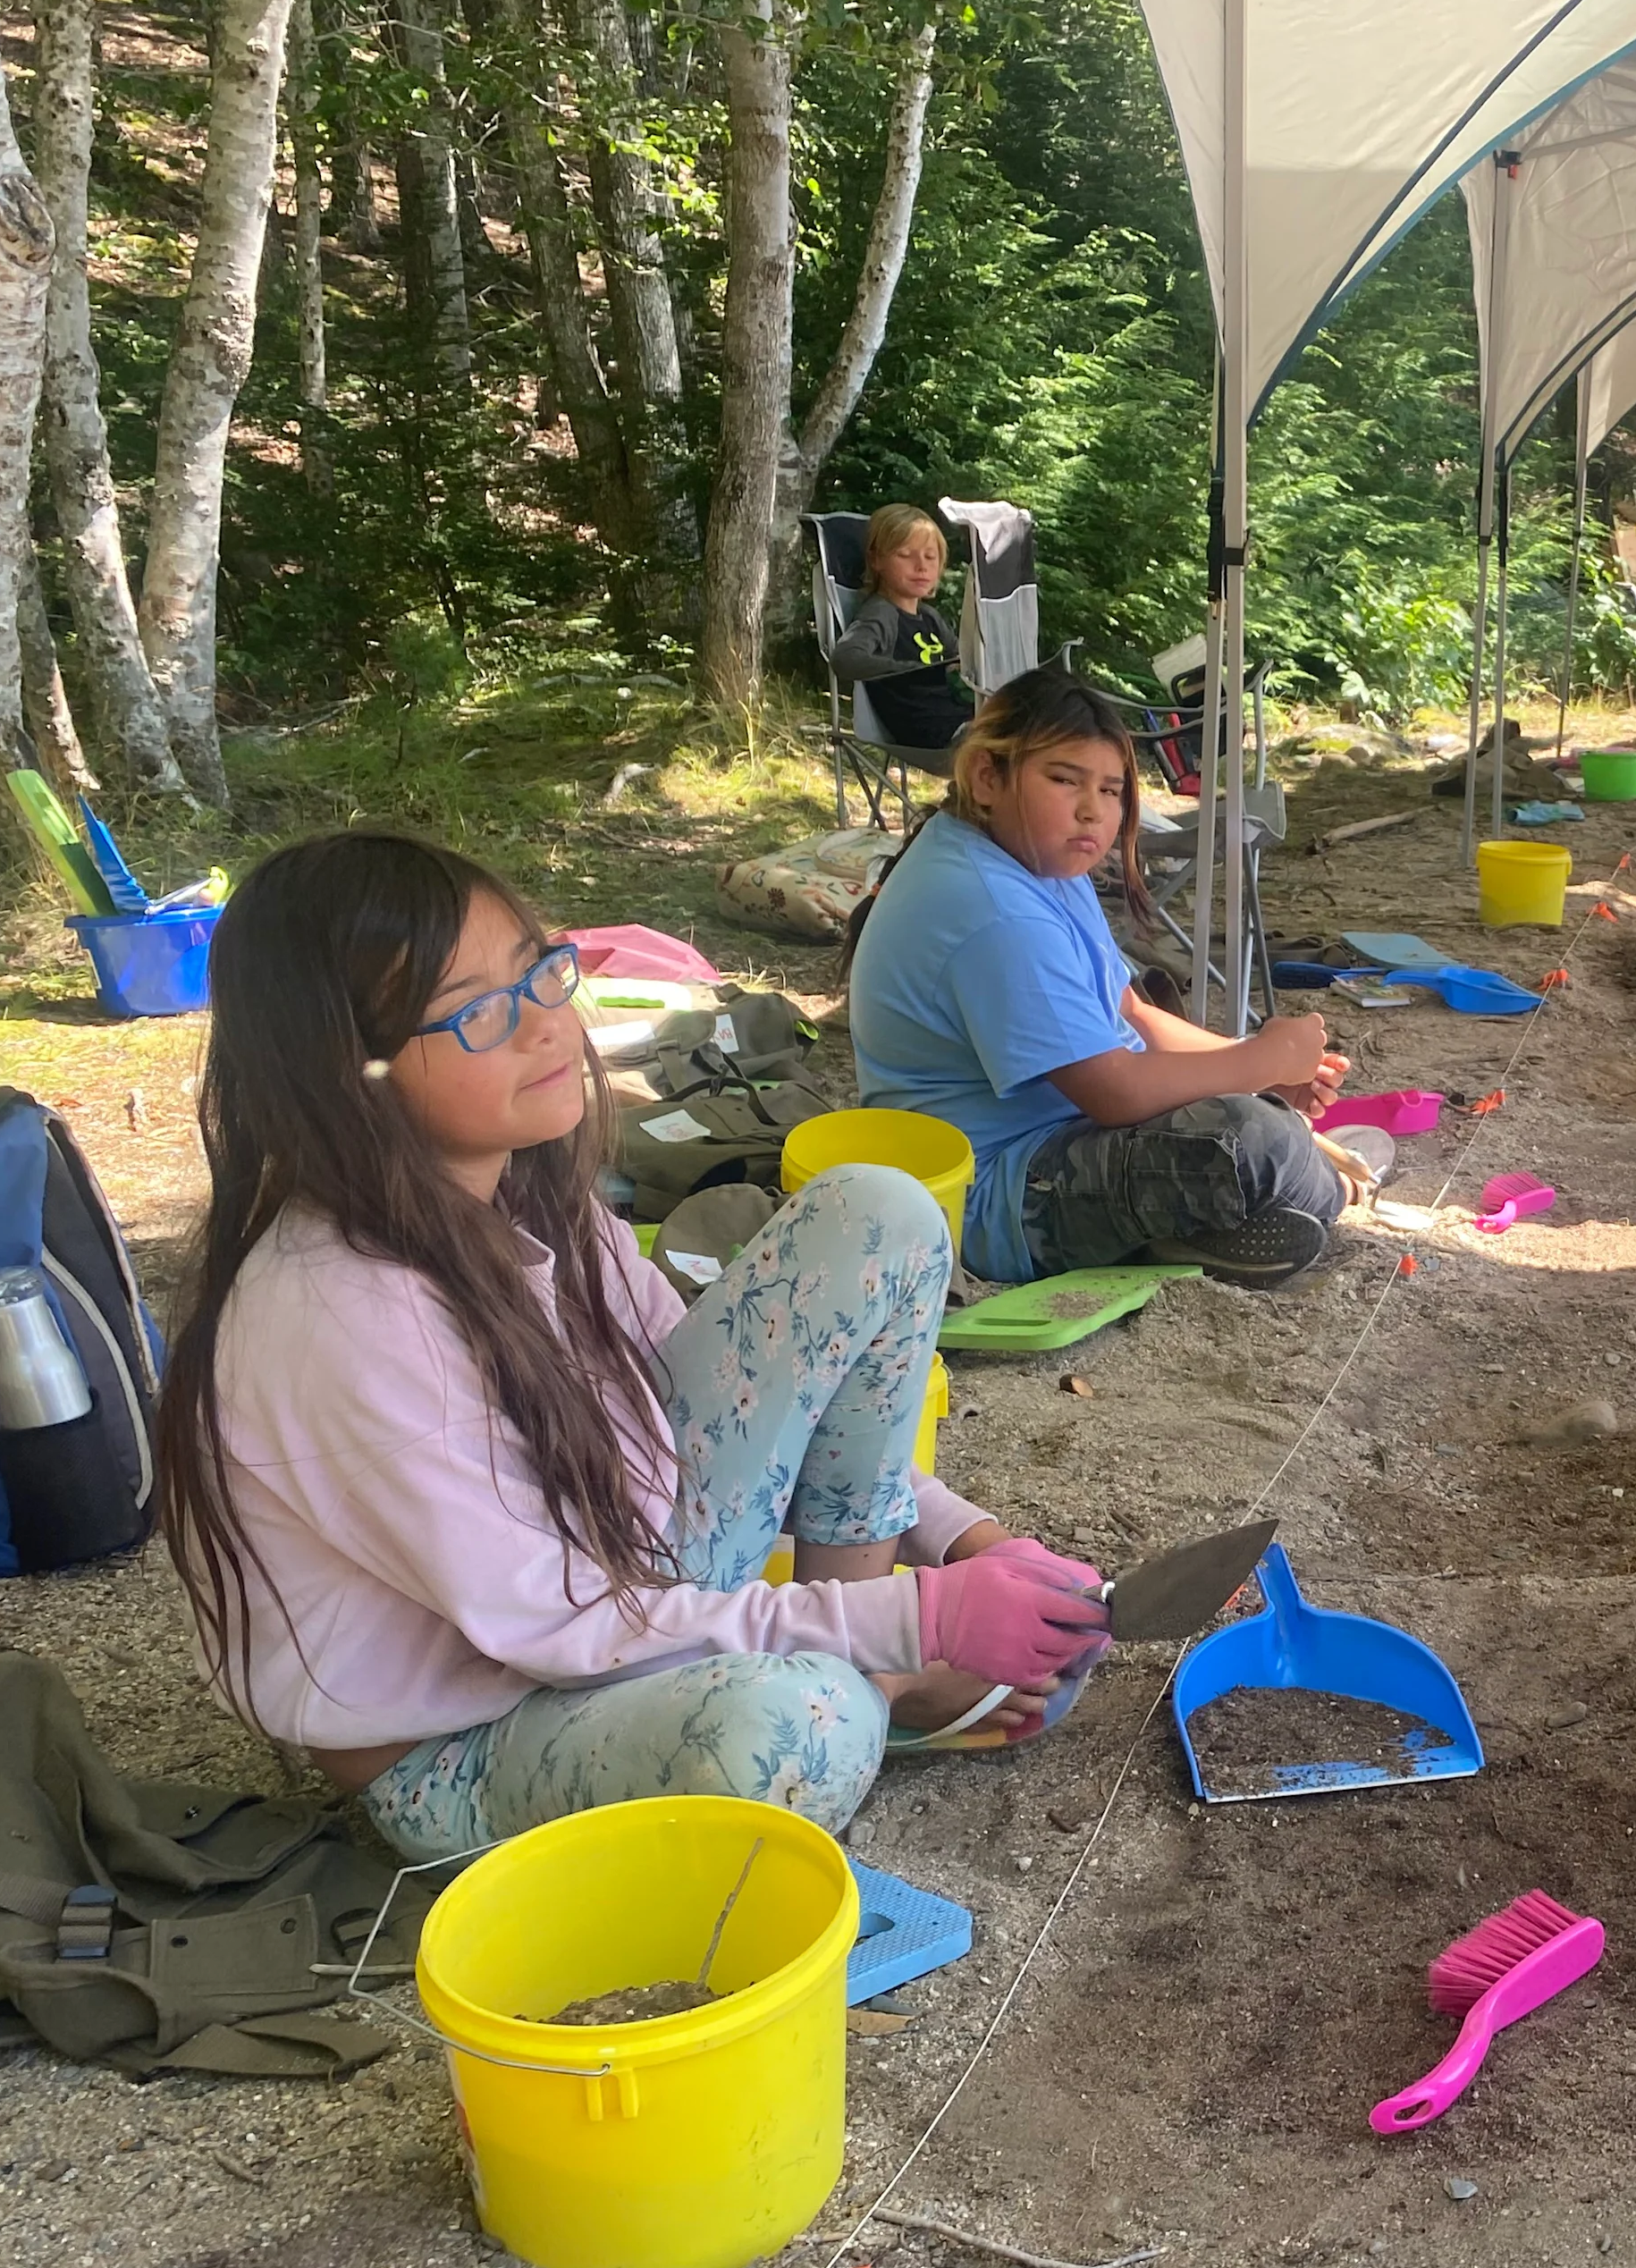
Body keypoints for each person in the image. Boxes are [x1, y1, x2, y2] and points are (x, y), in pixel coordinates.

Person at [152, 835, 1114, 1865]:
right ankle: (878, 1687)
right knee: (807, 1727)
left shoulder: (526, 1192)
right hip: (466, 1742)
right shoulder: (341, 1318)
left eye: (538, 969)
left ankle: (866, 1659)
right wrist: (919, 1625)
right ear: (349, 1076)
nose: (545, 1023)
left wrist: (971, 1547)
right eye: (481, 1011)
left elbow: (734, 1401)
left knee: (877, 1211)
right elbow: (560, 1629)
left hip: (620, 1591)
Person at [848, 663, 1353, 1290]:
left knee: (1259, 1125)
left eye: (1112, 791)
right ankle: (1273, 1205)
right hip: (993, 1200)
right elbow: (1115, 1091)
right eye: (1065, 781)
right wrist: (1261, 1068)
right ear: (986, 778)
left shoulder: (1040, 866)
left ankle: (1222, 1224)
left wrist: (1259, 1063)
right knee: (1256, 1142)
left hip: (1057, 1145)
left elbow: (1133, 1016)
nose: (1093, 811)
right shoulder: (990, 907)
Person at [831, 502, 976, 753]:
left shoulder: (930, 617)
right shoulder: (882, 612)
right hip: (927, 727)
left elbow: (959, 661)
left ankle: (969, 792)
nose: (921, 566)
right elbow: (845, 658)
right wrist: (915, 671)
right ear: (876, 560)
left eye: (930, 557)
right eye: (905, 555)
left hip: (958, 718)